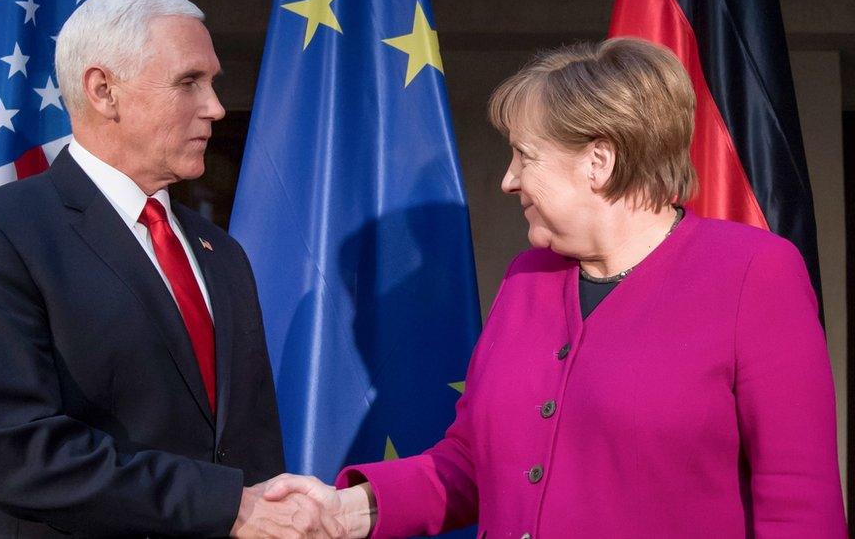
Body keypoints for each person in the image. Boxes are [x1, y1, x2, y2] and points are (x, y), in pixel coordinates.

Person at [263, 38, 847, 537]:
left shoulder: (754, 273)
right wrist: (345, 511)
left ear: (598, 161)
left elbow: (799, 501)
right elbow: (473, 462)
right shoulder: (528, 280)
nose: (508, 180)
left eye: (524, 155)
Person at [0, 0, 340, 536]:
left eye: (212, 83)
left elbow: (248, 446)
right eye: (189, 82)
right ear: (104, 91)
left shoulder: (222, 253)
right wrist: (228, 506)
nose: (215, 106)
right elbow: (12, 450)